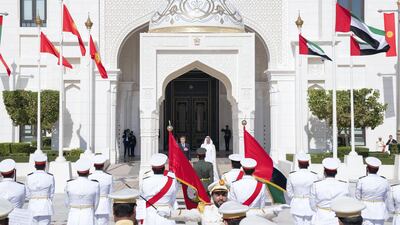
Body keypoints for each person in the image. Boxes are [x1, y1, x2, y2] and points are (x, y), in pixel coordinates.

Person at [158, 179, 283, 225]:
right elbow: (188, 214)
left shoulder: (235, 210)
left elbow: (256, 213)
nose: (221, 198)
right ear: (212, 195)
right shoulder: (205, 210)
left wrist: (273, 211)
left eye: (223, 194)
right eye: (217, 194)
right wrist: (170, 214)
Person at [140, 153, 178, 225]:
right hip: (166, 212)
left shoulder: (145, 180)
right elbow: (173, 198)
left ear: (152, 168)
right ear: (164, 168)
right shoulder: (172, 180)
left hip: (150, 214)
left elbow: (142, 197)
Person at [310, 157, 349, 225]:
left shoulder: (316, 184)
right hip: (337, 218)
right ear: (336, 172)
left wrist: (321, 210)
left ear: (324, 171)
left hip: (321, 217)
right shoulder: (344, 185)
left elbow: (312, 204)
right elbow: (346, 202)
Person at [355, 157, 390, 225]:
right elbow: (387, 196)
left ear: (367, 168)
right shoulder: (384, 180)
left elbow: (357, 196)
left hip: (366, 210)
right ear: (378, 169)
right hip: (380, 210)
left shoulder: (362, 180)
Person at [65, 158, 100, 225]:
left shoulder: (69, 184)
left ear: (77, 172)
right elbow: (96, 202)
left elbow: (67, 202)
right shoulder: (95, 184)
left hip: (73, 213)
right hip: (88, 213)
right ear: (88, 172)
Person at [286, 152, 318, 225]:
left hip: (296, 203)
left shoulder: (292, 175)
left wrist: (297, 197)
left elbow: (289, 193)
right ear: (308, 164)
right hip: (309, 204)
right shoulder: (314, 175)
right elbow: (316, 192)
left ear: (298, 163)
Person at [25, 154, 55, 225]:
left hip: (32, 206)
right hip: (45, 207)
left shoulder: (29, 177)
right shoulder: (50, 177)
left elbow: (27, 193)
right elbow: (52, 193)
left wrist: (33, 198)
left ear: (35, 166)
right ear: (45, 166)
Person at [88, 154, 113, 225]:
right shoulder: (108, 177)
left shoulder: (90, 177)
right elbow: (111, 193)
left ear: (94, 165)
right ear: (103, 165)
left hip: (92, 204)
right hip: (104, 204)